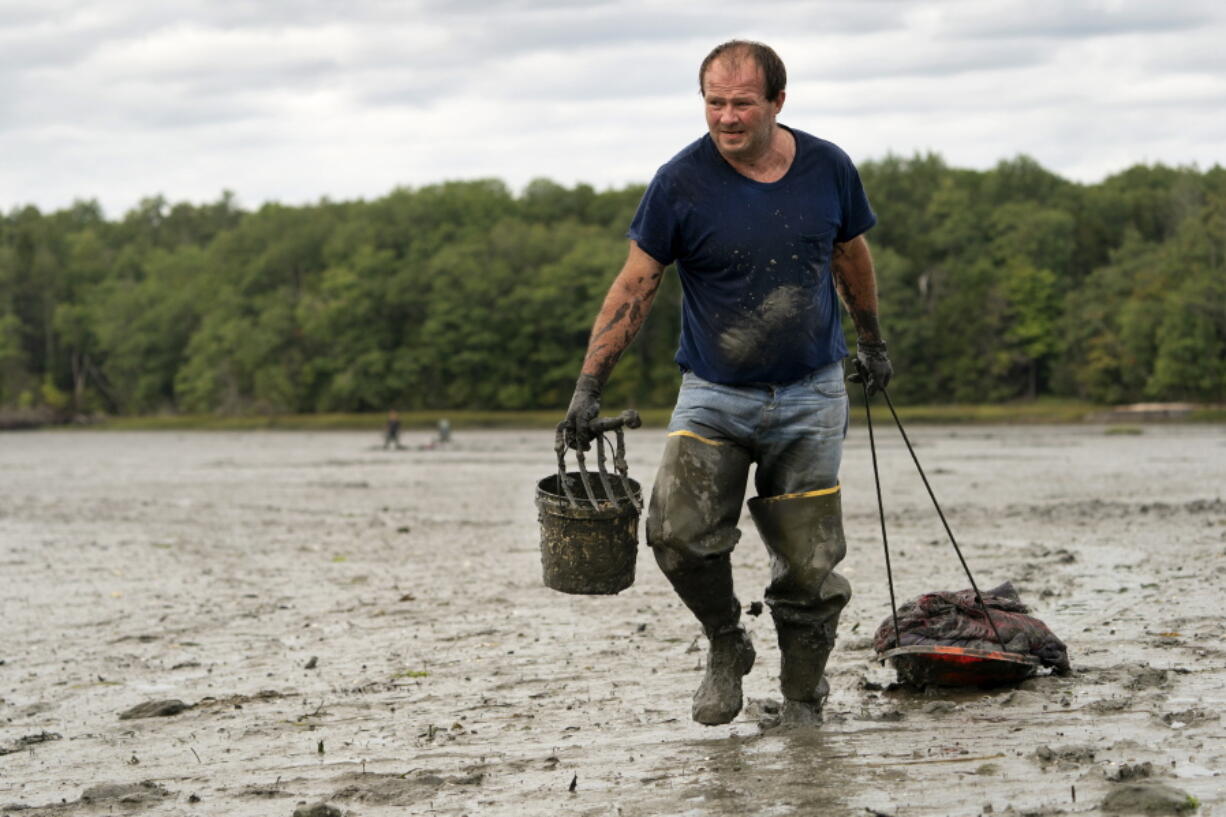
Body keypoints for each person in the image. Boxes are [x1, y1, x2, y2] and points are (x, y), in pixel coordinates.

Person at [562, 40, 893, 728]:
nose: (727, 116)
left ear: (778, 100)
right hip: (714, 392)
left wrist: (872, 341)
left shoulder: (828, 168)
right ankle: (725, 638)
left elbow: (851, 255)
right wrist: (589, 385)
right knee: (676, 534)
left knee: (808, 562)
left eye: (743, 102)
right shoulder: (680, 183)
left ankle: (803, 696)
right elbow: (635, 284)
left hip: (812, 393)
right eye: (715, 102)